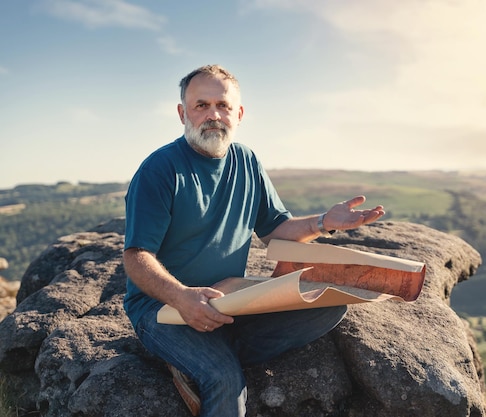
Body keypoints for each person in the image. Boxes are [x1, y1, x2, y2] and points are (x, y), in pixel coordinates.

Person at [122, 64, 385, 417]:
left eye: (223, 105)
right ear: (183, 113)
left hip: (229, 300)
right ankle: (204, 359)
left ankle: (200, 353)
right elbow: (137, 257)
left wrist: (324, 222)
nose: (213, 115)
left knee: (328, 304)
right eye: (201, 105)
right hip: (164, 309)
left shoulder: (246, 161)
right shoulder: (160, 169)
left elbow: (276, 229)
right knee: (224, 379)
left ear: (239, 113)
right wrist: (183, 298)